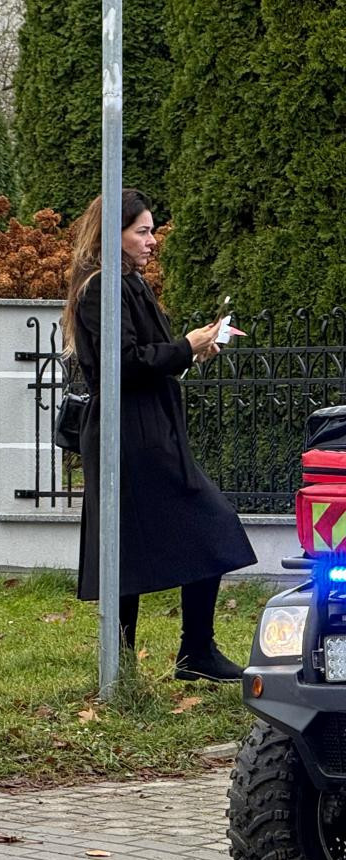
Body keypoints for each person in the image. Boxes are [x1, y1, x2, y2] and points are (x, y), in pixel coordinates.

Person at [66, 188, 255, 679]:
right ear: (115, 234)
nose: (152, 241)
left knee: (160, 535)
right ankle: (135, 660)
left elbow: (147, 355)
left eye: (152, 230)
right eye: (142, 231)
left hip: (147, 427)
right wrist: (184, 348)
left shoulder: (128, 283)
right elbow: (123, 363)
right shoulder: (102, 287)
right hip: (128, 433)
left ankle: (189, 653)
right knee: (191, 527)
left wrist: (190, 350)